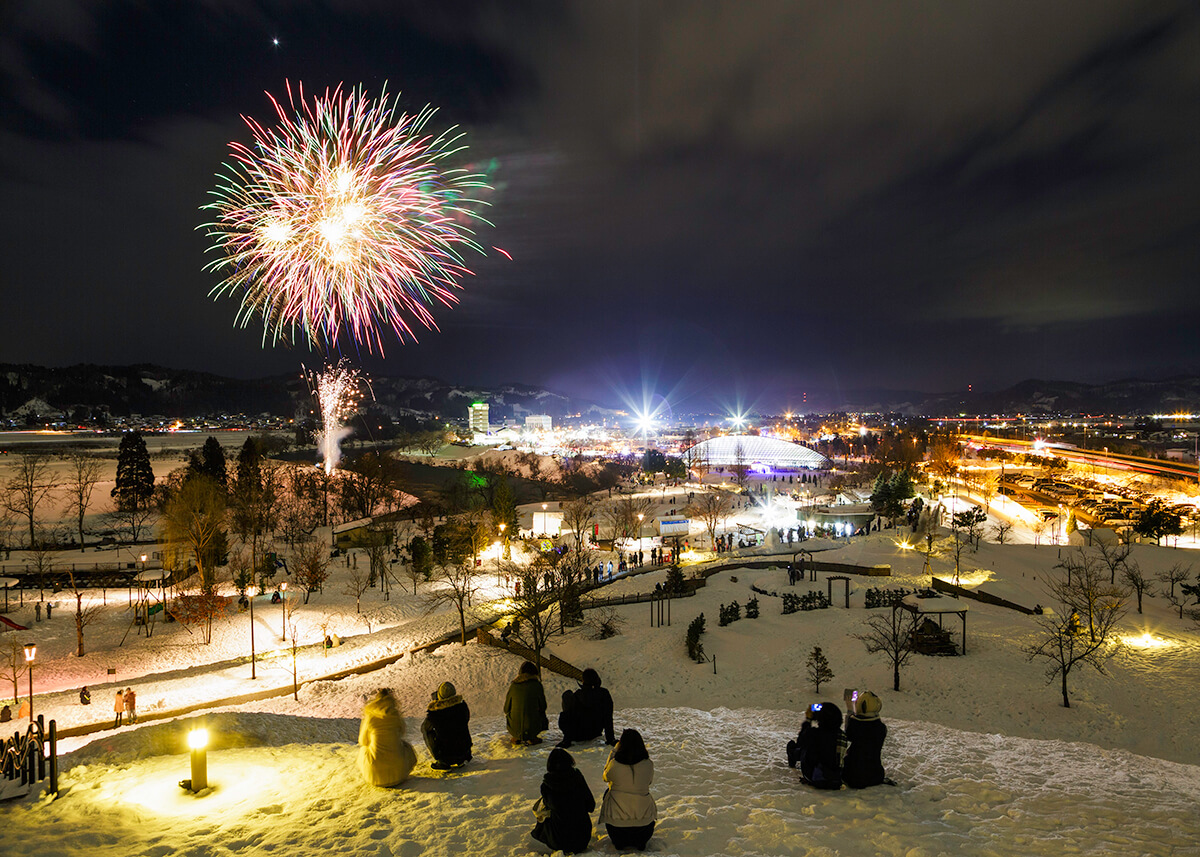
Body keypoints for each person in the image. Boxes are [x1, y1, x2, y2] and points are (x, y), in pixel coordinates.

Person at [598, 728, 657, 851]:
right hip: (644, 832)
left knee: (608, 793)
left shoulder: (614, 765)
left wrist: (613, 752)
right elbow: (649, 782)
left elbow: (605, 777)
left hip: (618, 833)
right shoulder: (648, 765)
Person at [530, 747, 595, 855]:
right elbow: (591, 806)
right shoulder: (577, 778)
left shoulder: (546, 785)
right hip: (582, 838)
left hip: (559, 841)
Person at [357, 688, 417, 787]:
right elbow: (402, 732)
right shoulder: (395, 715)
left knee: (363, 749)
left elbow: (363, 741)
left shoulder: (370, 717)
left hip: (376, 777)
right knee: (406, 746)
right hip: (399, 775)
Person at [786, 702, 845, 789]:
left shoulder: (813, 734)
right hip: (836, 778)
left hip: (815, 777)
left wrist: (808, 720)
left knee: (799, 748)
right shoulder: (841, 735)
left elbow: (801, 742)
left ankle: (792, 755)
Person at [557, 668, 616, 749]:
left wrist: (567, 740)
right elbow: (608, 718)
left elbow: (569, 717)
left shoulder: (577, 695)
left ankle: (567, 739)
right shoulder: (604, 694)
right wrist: (611, 739)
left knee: (567, 695)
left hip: (576, 734)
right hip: (595, 732)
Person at [422, 681, 472, 770]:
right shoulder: (462, 706)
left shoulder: (435, 713)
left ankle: (442, 761)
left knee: (427, 730)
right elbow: (465, 719)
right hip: (465, 752)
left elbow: (425, 728)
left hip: (446, 755)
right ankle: (460, 760)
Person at [842, 691, 887, 789]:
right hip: (876, 775)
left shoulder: (856, 725)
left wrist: (851, 711)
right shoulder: (881, 727)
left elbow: (848, 736)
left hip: (853, 776)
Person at [505, 661, 549, 746]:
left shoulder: (514, 685)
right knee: (541, 714)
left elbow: (506, 708)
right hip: (533, 727)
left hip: (513, 727)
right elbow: (543, 706)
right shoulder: (537, 685)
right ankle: (532, 736)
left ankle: (517, 735)